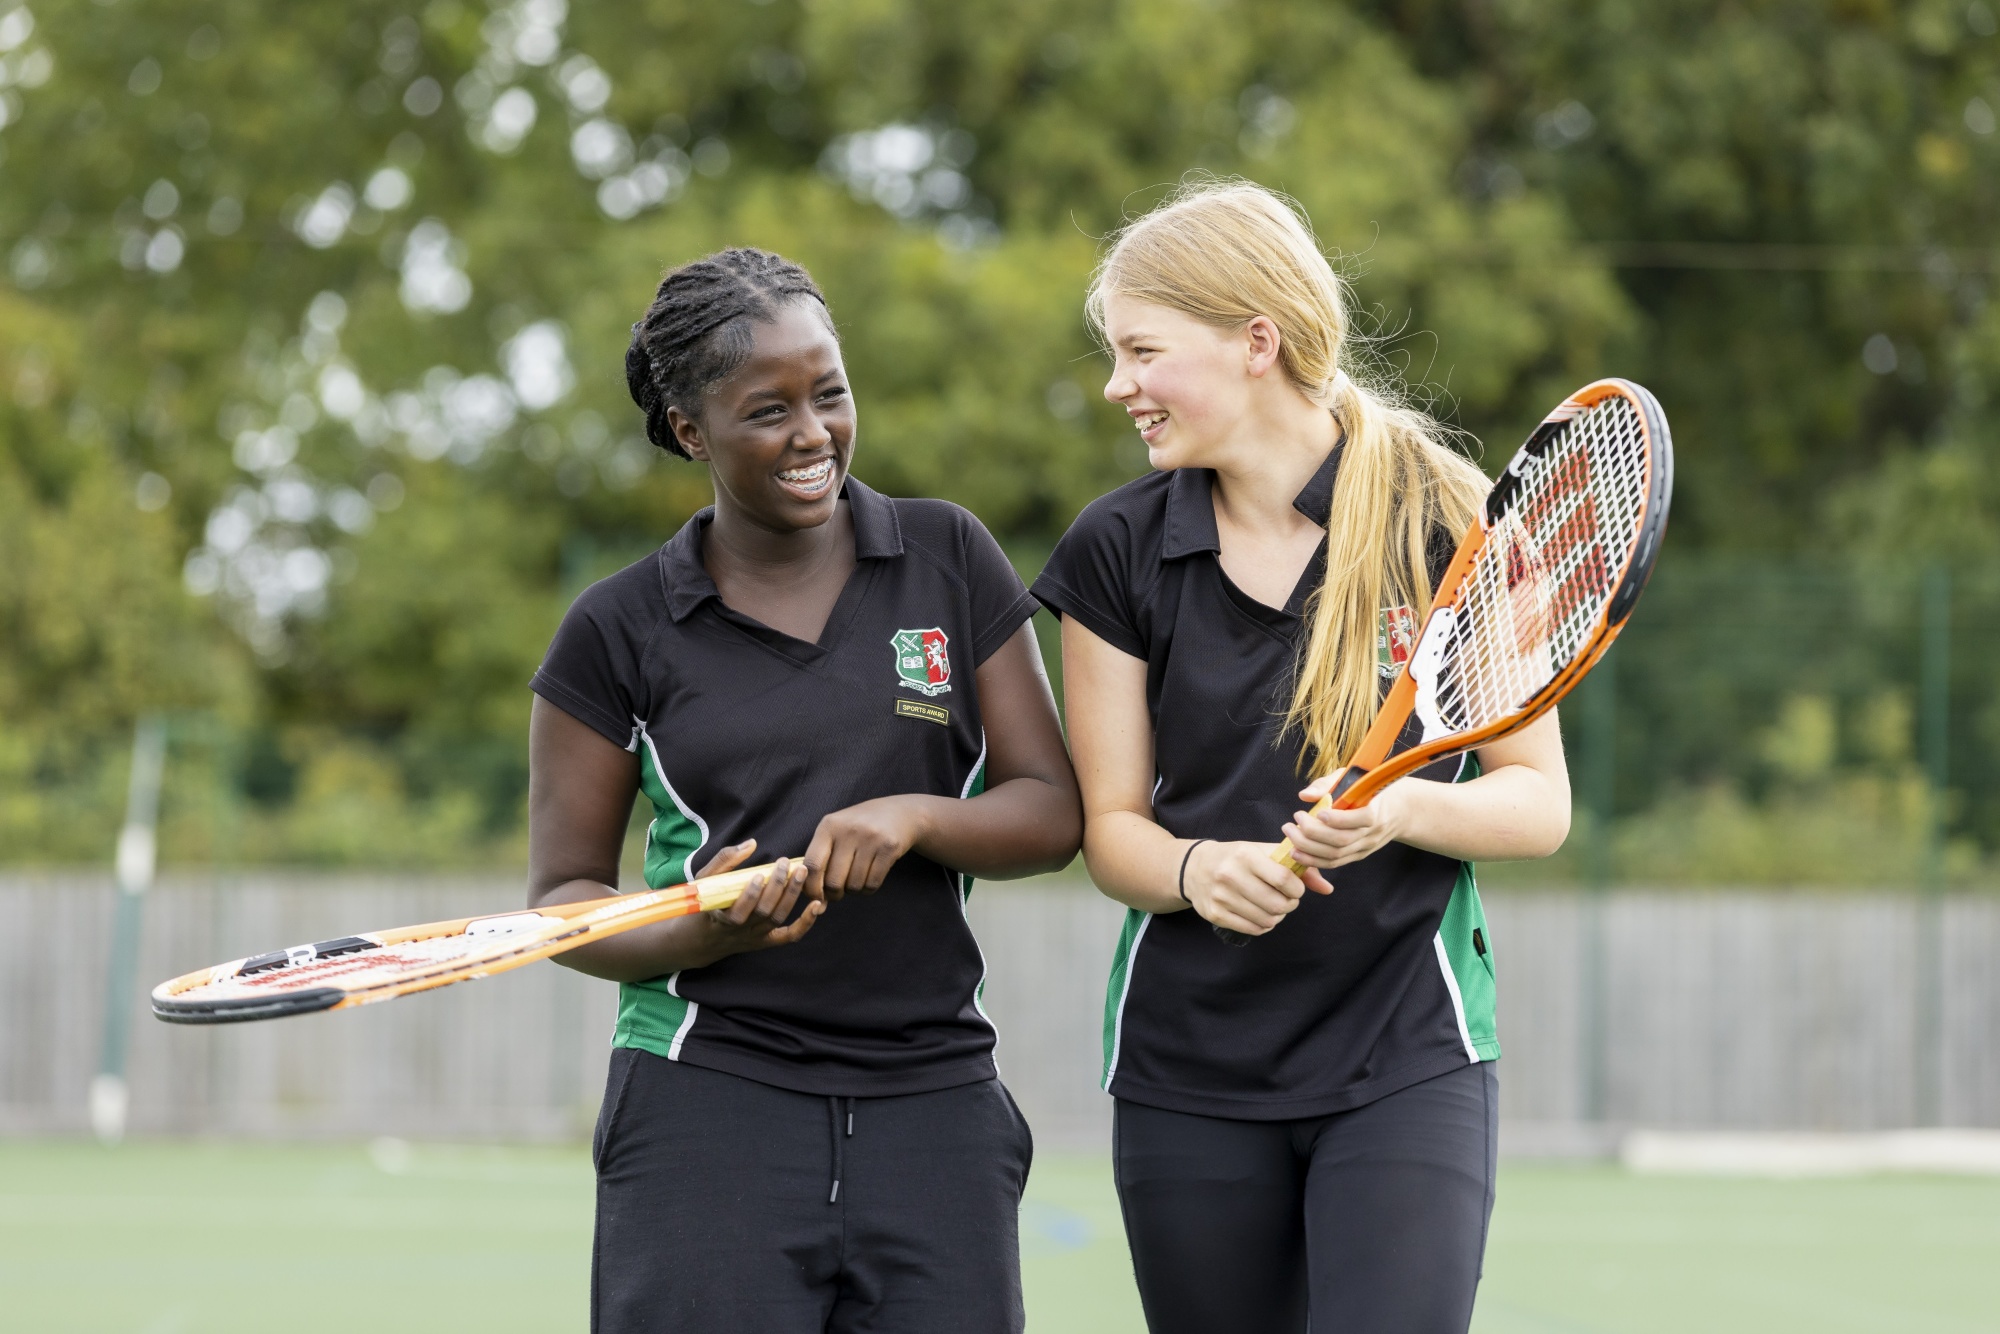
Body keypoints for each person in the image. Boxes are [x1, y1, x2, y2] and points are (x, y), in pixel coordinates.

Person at [1032, 182, 1572, 1333]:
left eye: (1140, 351)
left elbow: (1536, 802)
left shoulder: (1452, 522)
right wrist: (1191, 872)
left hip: (1405, 1054)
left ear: (1252, 343)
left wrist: (1400, 814)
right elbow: (1111, 829)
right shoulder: (1114, 548)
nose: (1116, 384)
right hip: (1187, 1068)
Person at [526, 247, 1082, 1333]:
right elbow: (559, 903)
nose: (812, 433)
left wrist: (916, 816)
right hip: (705, 1100)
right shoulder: (615, 627)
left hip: (935, 1102)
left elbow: (1049, 807)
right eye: (767, 409)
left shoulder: (947, 554)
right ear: (692, 432)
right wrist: (702, 928)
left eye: (828, 392)